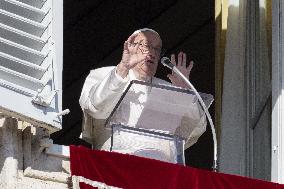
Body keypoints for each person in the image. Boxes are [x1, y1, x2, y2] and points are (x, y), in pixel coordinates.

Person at [79, 28, 206, 160]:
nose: (152, 52)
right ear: (130, 46)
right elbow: (95, 108)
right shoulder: (104, 75)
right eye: (145, 45)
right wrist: (122, 68)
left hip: (162, 168)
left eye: (157, 49)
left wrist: (184, 94)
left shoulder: (168, 88)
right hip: (116, 164)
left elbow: (194, 131)